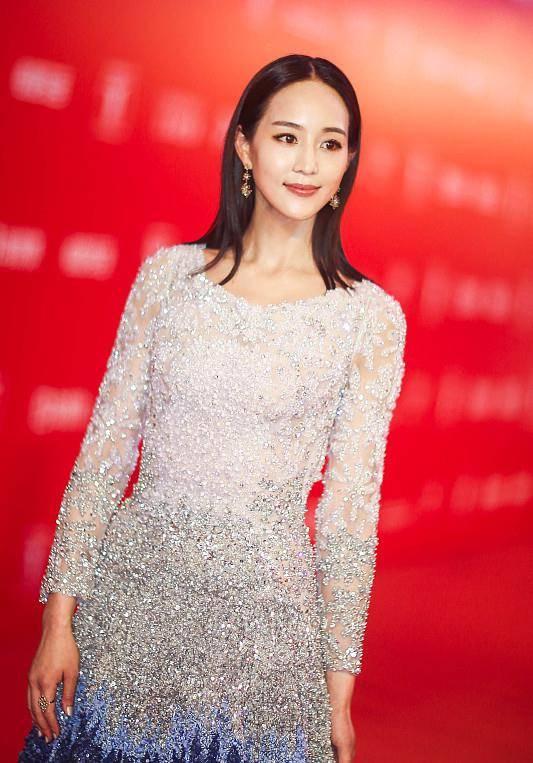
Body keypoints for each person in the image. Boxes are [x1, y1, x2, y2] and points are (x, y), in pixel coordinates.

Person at [19, 53, 407, 763]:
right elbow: (106, 453)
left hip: (267, 642)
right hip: (128, 616)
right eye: (286, 136)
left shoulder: (370, 320)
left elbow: (349, 515)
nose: (307, 163)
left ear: (348, 161)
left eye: (330, 143)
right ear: (245, 147)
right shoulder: (167, 279)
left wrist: (338, 692)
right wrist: (58, 619)